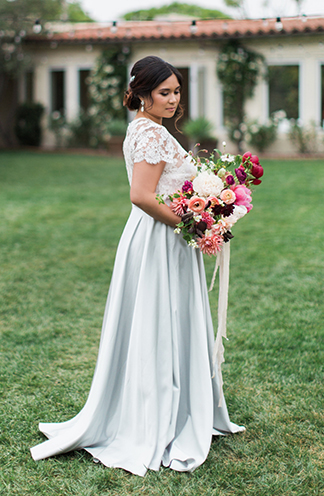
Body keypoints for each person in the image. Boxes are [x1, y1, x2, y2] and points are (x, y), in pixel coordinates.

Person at [30, 55, 244, 476]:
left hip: (166, 238)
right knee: (156, 319)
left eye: (177, 91)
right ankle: (154, 416)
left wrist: (211, 202)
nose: (173, 99)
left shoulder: (150, 130)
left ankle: (179, 404)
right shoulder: (149, 134)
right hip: (158, 239)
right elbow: (142, 196)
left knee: (169, 318)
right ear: (142, 94)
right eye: (164, 92)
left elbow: (170, 185)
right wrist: (193, 222)